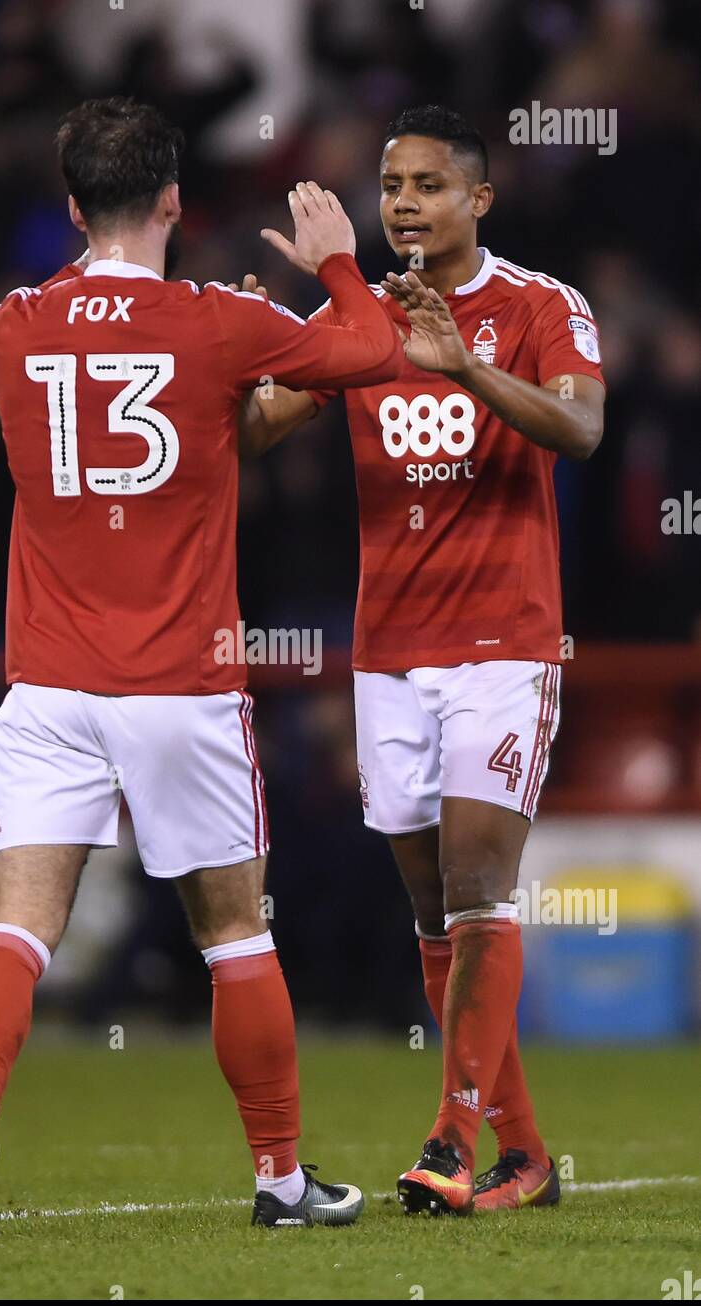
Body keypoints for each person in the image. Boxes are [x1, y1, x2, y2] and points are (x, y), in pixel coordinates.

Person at [0, 96, 405, 1236]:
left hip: (47, 686)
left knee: (16, 927)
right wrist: (339, 268)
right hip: (180, 689)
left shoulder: (12, 322)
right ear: (174, 203)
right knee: (234, 931)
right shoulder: (212, 324)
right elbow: (371, 352)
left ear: (70, 206)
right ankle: (280, 1178)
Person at [239, 105, 605, 1215]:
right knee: (430, 914)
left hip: (503, 639)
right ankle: (524, 1155)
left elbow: (579, 429)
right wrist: (250, 344)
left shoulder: (540, 305)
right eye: (390, 183)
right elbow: (259, 428)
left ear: (478, 200)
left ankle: (451, 1135)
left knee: (475, 885)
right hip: (388, 648)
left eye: (427, 184)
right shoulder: (360, 317)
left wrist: (464, 370)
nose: (401, 202)